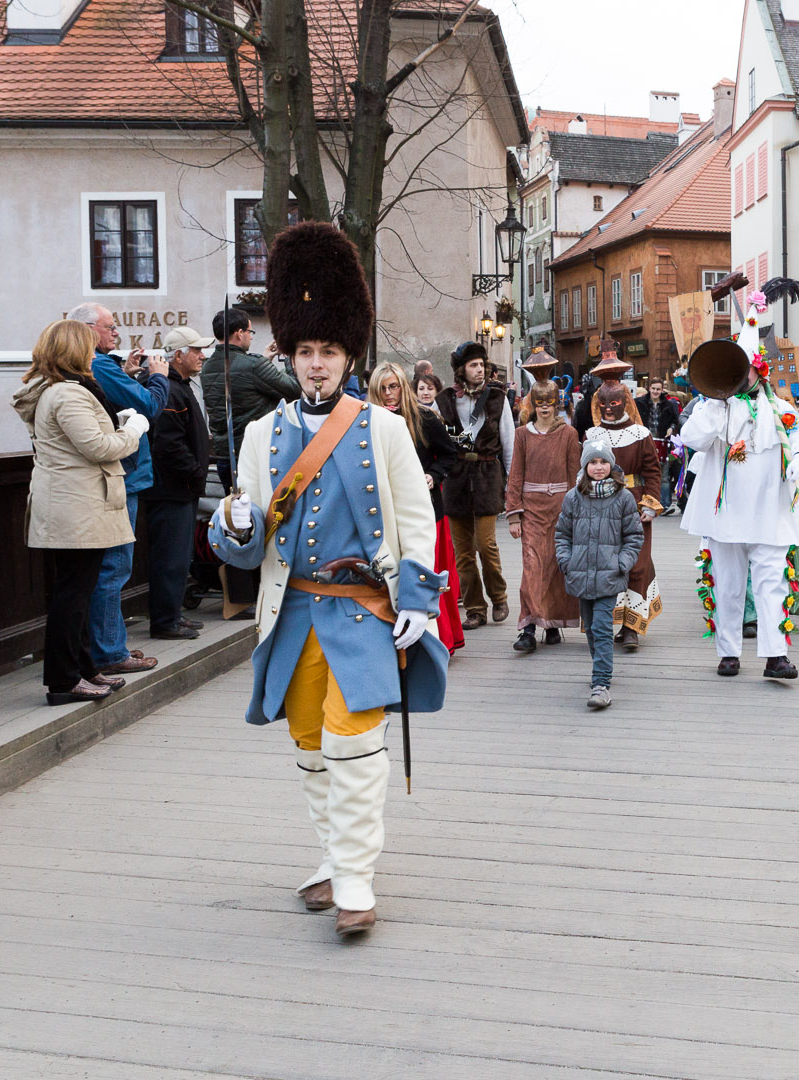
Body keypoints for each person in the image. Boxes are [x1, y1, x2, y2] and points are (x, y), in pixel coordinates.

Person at [207, 222, 447, 938]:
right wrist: (239, 527)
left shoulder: (383, 430)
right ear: (288, 352)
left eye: (328, 352)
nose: (315, 365)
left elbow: (417, 522)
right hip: (292, 615)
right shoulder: (260, 436)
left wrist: (419, 602)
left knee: (353, 742)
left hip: (362, 615)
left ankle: (355, 879)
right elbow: (240, 550)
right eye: (305, 352)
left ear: (348, 356)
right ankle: (330, 855)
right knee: (310, 746)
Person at [680, 287, 799, 679]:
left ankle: (775, 655)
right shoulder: (715, 407)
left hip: (770, 510)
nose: (745, 377)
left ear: (761, 370)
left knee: (772, 582)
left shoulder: (780, 408)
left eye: (750, 369)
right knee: (727, 584)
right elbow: (692, 439)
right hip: (727, 514)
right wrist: (716, 400)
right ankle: (729, 652)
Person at [11, 320, 146, 706]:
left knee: (78, 593)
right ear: (74, 351)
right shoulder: (68, 394)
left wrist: (117, 424)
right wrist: (133, 429)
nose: (93, 354)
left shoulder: (61, 391)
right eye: (88, 347)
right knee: (72, 596)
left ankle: (84, 670)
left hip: (74, 505)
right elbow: (99, 447)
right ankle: (64, 680)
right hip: (75, 507)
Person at [67, 302, 169, 676]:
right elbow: (147, 407)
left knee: (111, 567)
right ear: (89, 330)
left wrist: (128, 376)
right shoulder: (98, 364)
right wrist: (158, 376)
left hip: (117, 477)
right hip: (119, 476)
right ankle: (109, 652)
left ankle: (110, 644)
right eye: (110, 327)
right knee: (113, 567)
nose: (117, 334)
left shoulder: (97, 366)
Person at [370, 362, 463, 655]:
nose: (389, 394)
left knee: (426, 574)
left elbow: (450, 455)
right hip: (383, 512)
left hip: (425, 511)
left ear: (402, 387)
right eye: (382, 388)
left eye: (393, 386)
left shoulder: (424, 418)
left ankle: (438, 641)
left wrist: (433, 476)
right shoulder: (366, 421)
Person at [554, 440, 644, 710]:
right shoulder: (573, 497)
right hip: (580, 573)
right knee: (591, 628)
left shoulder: (623, 497)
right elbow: (562, 534)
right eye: (592, 462)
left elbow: (633, 536)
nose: (598, 467)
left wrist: (622, 562)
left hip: (609, 574)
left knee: (603, 628)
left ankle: (601, 683)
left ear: (611, 465)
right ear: (585, 465)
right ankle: (599, 665)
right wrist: (566, 562)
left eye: (603, 462)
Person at [142, 326, 213, 640]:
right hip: (171, 489)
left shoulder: (178, 385)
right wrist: (196, 471)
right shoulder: (171, 390)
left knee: (178, 556)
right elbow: (167, 444)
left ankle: (172, 615)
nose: (202, 356)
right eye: (196, 350)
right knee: (170, 557)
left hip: (179, 488)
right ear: (179, 355)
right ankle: (165, 621)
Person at [439, 341, 515, 630]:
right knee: (463, 552)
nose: (479, 369)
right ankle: (475, 608)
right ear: (461, 370)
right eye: (473, 365)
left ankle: (498, 596)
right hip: (456, 477)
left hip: (487, 474)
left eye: (482, 364)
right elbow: (434, 440)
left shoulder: (498, 398)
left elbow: (508, 443)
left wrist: (511, 485)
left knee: (486, 544)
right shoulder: (444, 399)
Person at [506, 371, 581, 653]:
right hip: (532, 508)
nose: (545, 407)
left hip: (561, 508)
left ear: (557, 403)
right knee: (532, 566)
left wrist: (577, 514)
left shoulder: (568, 434)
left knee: (555, 566)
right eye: (539, 402)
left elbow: (575, 476)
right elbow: (515, 474)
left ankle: (551, 623)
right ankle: (528, 627)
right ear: (533, 405)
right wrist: (514, 513)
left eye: (549, 401)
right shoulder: (522, 435)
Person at [588, 381, 662, 651]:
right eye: (603, 404)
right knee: (605, 564)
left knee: (637, 563)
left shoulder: (640, 433)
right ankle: (604, 623)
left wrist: (650, 504)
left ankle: (631, 627)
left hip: (634, 502)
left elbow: (653, 471)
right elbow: (583, 471)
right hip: (601, 503)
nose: (608, 409)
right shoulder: (592, 434)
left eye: (614, 404)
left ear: (625, 403)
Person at [203, 307, 301, 489]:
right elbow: (295, 390)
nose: (251, 336)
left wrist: (265, 360)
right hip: (254, 456)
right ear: (239, 334)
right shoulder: (254, 366)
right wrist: (288, 358)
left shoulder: (207, 367)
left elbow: (245, 386)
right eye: (250, 331)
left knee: (234, 513)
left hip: (225, 457)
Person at [636, 375, 682, 513]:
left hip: (662, 440)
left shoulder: (669, 405)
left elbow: (676, 420)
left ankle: (665, 505)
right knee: (644, 474)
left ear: (662, 390)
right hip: (645, 441)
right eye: (654, 388)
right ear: (649, 388)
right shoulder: (639, 403)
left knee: (664, 475)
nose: (656, 391)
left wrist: (671, 428)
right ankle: (645, 503)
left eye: (658, 389)